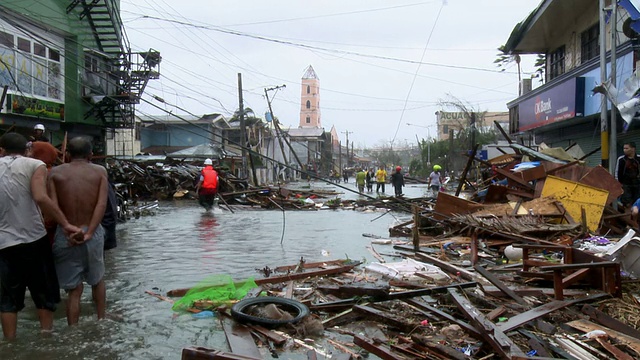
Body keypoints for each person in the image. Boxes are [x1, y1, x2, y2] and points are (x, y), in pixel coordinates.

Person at [0, 133, 82, 339]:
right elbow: (40, 197)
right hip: (34, 238)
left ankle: (10, 342)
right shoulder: (36, 165)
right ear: (27, 150)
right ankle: (46, 336)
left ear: (2, 150)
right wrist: (66, 224)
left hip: (3, 243)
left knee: (7, 299)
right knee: (43, 293)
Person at [48, 137, 108, 325]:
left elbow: (52, 206)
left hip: (66, 234)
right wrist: (89, 232)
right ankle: (101, 319)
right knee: (97, 280)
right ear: (91, 154)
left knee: (74, 290)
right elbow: (101, 204)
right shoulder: (99, 172)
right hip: (92, 232)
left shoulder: (55, 173)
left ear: (67, 154)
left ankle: (73, 329)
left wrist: (67, 229)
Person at [616, 141, 640, 209]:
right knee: (627, 203)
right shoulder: (621, 159)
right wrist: (619, 183)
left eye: (627, 148)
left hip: (637, 184)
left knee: (637, 202)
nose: (624, 150)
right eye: (624, 148)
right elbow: (617, 172)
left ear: (633, 149)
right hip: (626, 184)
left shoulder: (638, 159)